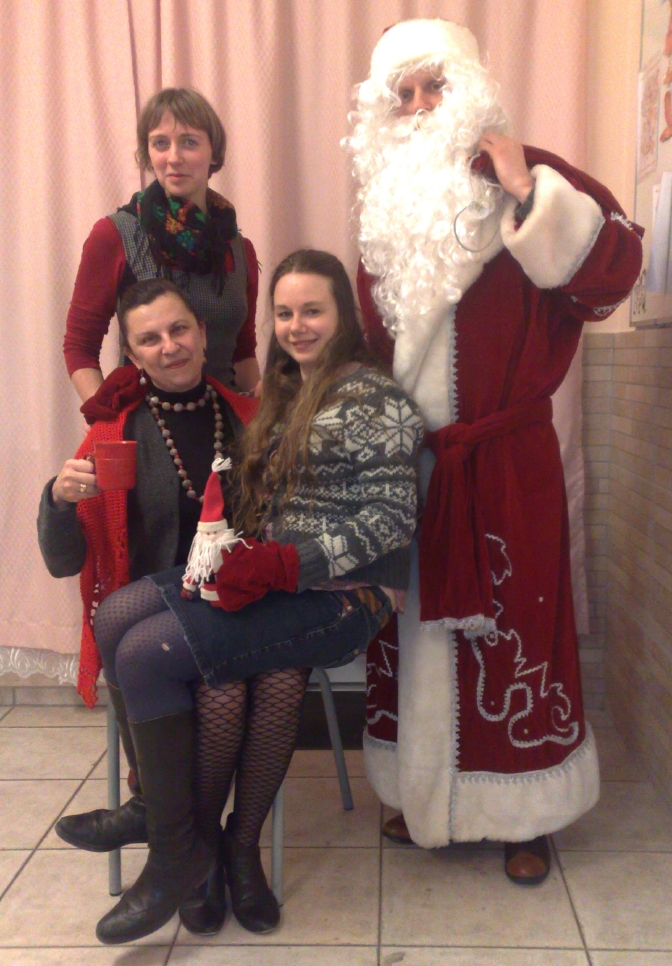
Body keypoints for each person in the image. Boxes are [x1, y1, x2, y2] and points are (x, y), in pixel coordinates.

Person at [344, 18, 643, 883]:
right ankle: (423, 791)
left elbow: (614, 275)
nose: (418, 106)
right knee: (414, 624)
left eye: (433, 86)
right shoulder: (385, 216)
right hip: (418, 468)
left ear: (468, 89)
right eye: (402, 94)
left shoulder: (535, 179)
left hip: (508, 464)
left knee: (517, 629)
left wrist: (525, 189)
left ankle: (525, 813)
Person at [54, 249, 423, 945]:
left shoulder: (375, 399)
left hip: (341, 597)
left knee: (148, 653)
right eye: (283, 312)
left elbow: (392, 522)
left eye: (312, 311)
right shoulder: (284, 391)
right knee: (116, 614)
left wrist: (283, 561)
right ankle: (163, 814)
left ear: (343, 315)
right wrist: (239, 550)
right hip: (274, 580)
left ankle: (182, 851)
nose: (296, 325)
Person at [39, 278, 285, 938]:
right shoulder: (113, 432)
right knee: (218, 686)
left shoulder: (251, 417)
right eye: (149, 338)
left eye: (179, 330)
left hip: (247, 606)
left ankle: (228, 847)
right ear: (132, 354)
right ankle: (196, 853)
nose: (169, 346)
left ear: (203, 335)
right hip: (158, 627)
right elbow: (64, 562)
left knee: (267, 681)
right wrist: (58, 500)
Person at [63, 87, 260, 402]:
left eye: (189, 142)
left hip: (226, 420)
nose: (173, 157)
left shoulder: (238, 247)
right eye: (160, 143)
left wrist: (260, 413)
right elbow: (80, 346)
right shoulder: (115, 235)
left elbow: (243, 352)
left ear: (214, 153)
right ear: (148, 154)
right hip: (146, 421)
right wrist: (106, 419)